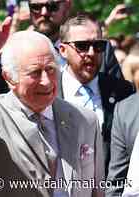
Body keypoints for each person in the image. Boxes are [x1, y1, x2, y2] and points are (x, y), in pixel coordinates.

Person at [0, 2, 104, 196]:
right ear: (9, 77)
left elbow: (97, 190)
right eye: (35, 73)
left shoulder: (85, 120)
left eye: (50, 69)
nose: (46, 81)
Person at [57, 13, 134, 176]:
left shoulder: (123, 91)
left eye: (98, 45)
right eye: (82, 46)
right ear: (63, 50)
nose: (91, 53)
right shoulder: (48, 91)